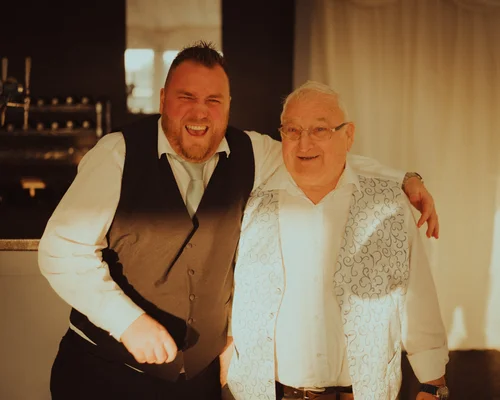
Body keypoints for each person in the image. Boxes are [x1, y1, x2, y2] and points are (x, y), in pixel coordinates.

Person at [38, 42, 439, 400]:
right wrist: (128, 323)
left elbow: (322, 156)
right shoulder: (117, 154)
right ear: (163, 99)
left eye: (213, 100)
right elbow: (60, 251)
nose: (200, 111)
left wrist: (404, 179)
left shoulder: (252, 153)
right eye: (186, 97)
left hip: (196, 386)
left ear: (229, 105)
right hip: (106, 377)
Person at [226, 81, 449, 400]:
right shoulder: (251, 203)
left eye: (320, 129)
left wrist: (432, 383)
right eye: (292, 130)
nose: (304, 142)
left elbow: (416, 295)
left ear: (348, 135)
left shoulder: (388, 204)